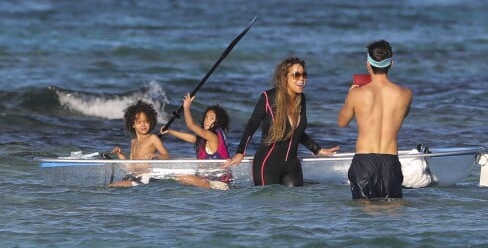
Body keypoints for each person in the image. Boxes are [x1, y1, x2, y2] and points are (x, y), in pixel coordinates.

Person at [223, 56, 339, 186]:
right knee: (268, 205)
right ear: (285, 78)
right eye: (296, 75)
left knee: (297, 203)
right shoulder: (268, 97)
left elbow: (296, 132)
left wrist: (317, 149)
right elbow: (252, 126)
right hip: (267, 164)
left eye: (304, 74)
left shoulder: (301, 99)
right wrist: (240, 152)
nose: (302, 79)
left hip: (292, 166)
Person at [337, 40, 413, 200]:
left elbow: (342, 122)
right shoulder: (405, 94)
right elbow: (401, 116)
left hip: (364, 162)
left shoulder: (356, 94)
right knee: (393, 215)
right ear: (391, 64)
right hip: (390, 161)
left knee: (364, 219)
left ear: (368, 65)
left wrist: (349, 97)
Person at [161, 93, 231, 190]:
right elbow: (193, 138)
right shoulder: (206, 138)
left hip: (220, 185)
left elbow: (190, 125)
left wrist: (186, 107)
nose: (207, 121)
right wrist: (170, 131)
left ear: (219, 122)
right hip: (211, 182)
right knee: (179, 176)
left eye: (211, 119)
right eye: (206, 117)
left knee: (181, 177)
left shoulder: (213, 136)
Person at [110, 99, 170, 187]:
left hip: (146, 178)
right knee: (112, 185)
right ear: (133, 124)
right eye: (139, 122)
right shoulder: (133, 141)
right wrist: (120, 154)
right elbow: (130, 167)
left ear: (151, 122)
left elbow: (168, 157)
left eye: (146, 122)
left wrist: (157, 156)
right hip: (135, 177)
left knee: (112, 186)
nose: (143, 125)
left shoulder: (153, 138)